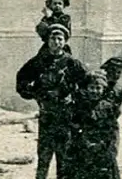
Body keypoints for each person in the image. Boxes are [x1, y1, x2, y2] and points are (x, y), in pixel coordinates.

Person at [17, 20, 87, 179]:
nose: (56, 42)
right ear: (47, 41)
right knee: (44, 154)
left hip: (66, 115)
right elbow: (22, 80)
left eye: (60, 39)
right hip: (47, 115)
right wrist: (36, 94)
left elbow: (86, 83)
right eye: (53, 38)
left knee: (64, 155)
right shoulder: (39, 61)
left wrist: (74, 98)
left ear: (65, 41)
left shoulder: (72, 63)